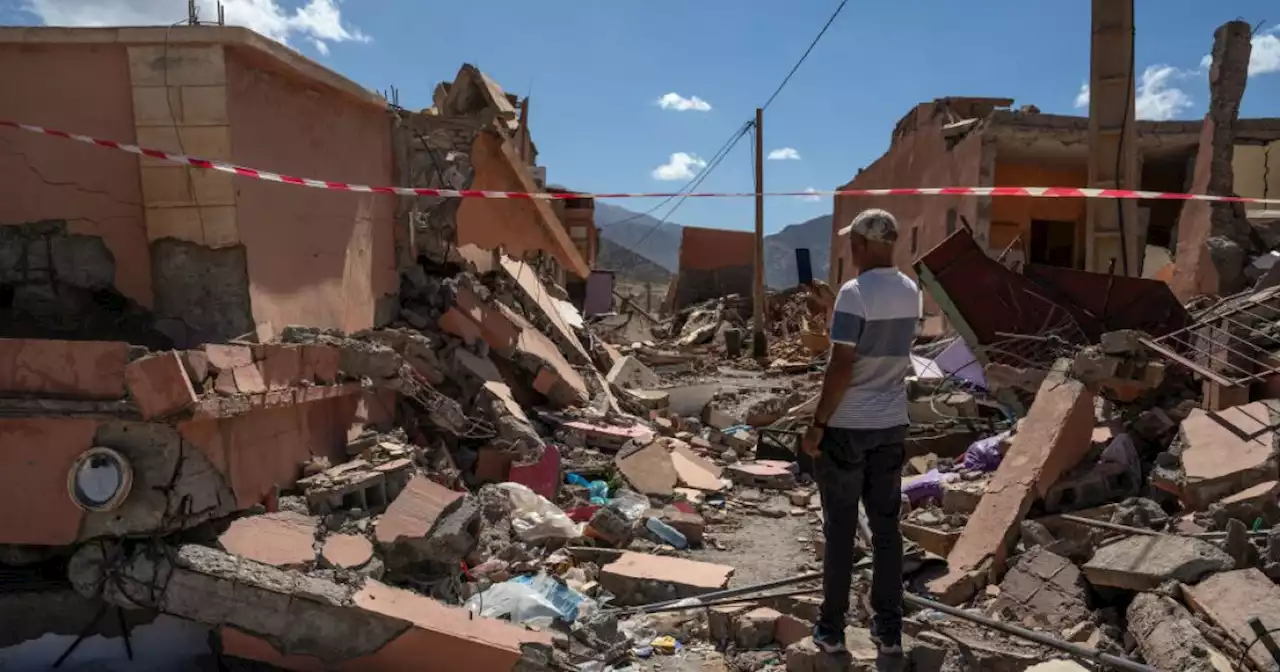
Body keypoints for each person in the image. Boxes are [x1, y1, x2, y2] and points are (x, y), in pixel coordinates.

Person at [800, 208, 920, 658]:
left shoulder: (855, 292)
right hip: (891, 423)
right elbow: (883, 345)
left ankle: (831, 629)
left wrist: (817, 424)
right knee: (887, 529)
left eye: (853, 242)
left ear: (866, 245)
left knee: (841, 530)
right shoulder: (912, 291)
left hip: (848, 428)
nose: (850, 249)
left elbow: (843, 364)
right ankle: (888, 631)